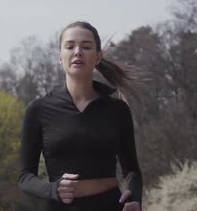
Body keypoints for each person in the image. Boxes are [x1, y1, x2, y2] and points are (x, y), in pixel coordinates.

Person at [18, 21, 143, 211]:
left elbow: (132, 171)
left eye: (86, 46)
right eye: (70, 46)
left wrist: (134, 196)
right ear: (60, 57)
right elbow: (25, 177)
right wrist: (53, 189)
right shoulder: (38, 109)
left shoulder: (117, 110)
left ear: (98, 57)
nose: (77, 52)